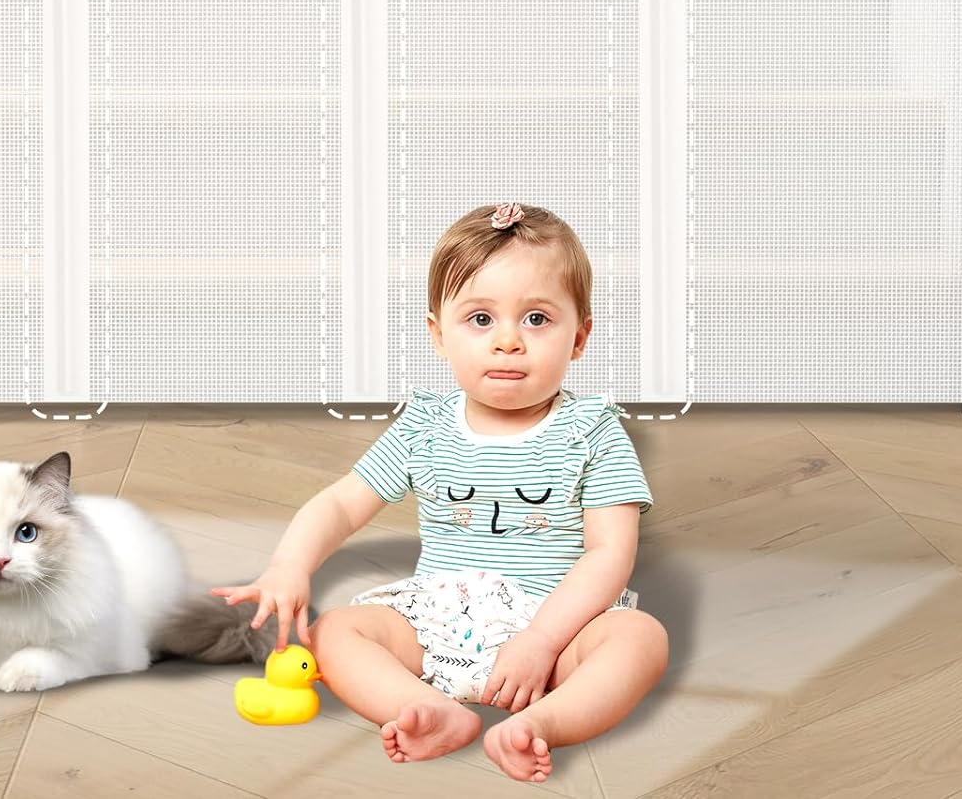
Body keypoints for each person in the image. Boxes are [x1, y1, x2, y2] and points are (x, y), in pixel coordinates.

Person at [210, 201, 669, 783]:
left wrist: (541, 642)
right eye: (481, 320)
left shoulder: (593, 432)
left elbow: (610, 553)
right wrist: (289, 566)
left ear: (579, 338)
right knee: (337, 633)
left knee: (639, 639)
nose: (508, 341)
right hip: (438, 617)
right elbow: (341, 503)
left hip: (558, 620)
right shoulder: (425, 426)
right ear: (439, 336)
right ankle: (425, 710)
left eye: (536, 320)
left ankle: (542, 724)